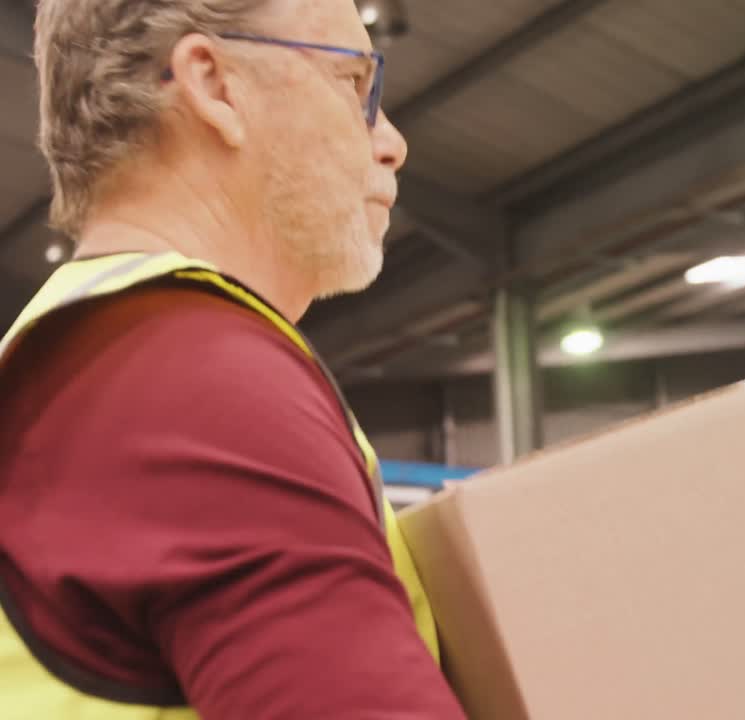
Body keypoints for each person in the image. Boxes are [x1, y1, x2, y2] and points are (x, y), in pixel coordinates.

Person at [0, 0, 467, 717]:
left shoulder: (90, 349)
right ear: (214, 85)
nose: (391, 142)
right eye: (354, 84)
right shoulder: (193, 375)